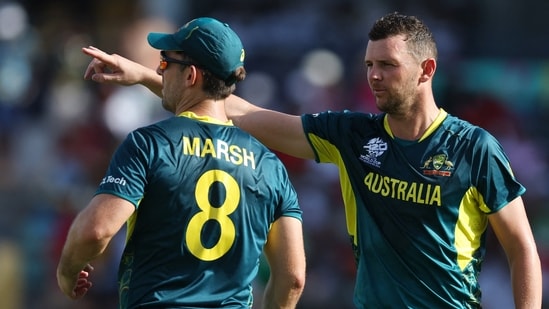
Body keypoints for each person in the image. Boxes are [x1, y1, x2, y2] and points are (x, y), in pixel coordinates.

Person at [81, 12, 542, 308]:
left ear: (427, 70)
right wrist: (144, 75)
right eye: (368, 66)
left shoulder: (474, 148)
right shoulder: (352, 135)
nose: (375, 76)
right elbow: (237, 111)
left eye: (387, 66)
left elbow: (521, 246)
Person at [57, 17, 306, 309]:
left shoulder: (149, 144)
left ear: (190, 76)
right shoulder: (271, 166)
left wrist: (67, 271)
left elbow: (96, 231)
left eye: (164, 63)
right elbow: (293, 277)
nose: (160, 72)